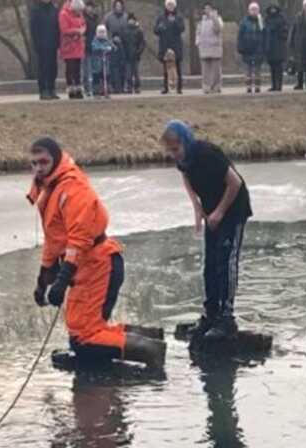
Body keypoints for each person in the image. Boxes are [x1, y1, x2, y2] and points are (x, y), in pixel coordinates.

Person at [28, 137, 166, 369]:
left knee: (84, 338)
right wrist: (43, 281)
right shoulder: (50, 188)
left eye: (44, 162)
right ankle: (148, 336)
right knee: (79, 331)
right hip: (86, 266)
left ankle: (148, 351)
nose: (39, 168)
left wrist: (62, 281)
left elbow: (78, 240)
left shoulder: (72, 188)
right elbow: (54, 240)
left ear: (57, 159)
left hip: (99, 263)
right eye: (34, 163)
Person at [160, 120, 253, 341]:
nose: (174, 155)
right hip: (211, 209)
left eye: (175, 149)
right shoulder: (184, 159)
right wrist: (197, 208)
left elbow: (235, 182)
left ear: (185, 141)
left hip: (233, 209)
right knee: (210, 264)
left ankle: (226, 318)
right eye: (170, 151)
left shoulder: (207, 154)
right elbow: (186, 177)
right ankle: (211, 314)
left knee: (226, 262)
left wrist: (220, 212)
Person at [31, 0, 61, 100]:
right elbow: (34, 29)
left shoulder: (55, 10)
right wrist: (37, 44)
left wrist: (58, 42)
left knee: (53, 68)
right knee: (43, 68)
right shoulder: (36, 10)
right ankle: (43, 90)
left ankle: (52, 89)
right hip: (42, 45)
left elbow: (57, 27)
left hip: (53, 44)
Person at [154, 0, 185, 94]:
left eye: (172, 5)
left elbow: (182, 29)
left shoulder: (178, 17)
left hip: (176, 45)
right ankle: (166, 87)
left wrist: (174, 22)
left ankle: (179, 88)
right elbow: (155, 30)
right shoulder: (161, 17)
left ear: (174, 6)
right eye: (168, 5)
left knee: (178, 67)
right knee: (165, 68)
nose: (170, 7)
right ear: (166, 6)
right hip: (164, 45)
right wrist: (160, 28)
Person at [59, 0, 87, 99]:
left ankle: (78, 89)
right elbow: (64, 29)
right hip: (68, 46)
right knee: (70, 68)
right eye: (78, 11)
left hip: (78, 45)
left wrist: (83, 30)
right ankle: (71, 89)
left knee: (77, 69)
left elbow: (83, 24)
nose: (79, 13)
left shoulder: (79, 15)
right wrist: (77, 31)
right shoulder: (64, 14)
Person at [196, 2, 224, 94]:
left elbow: (218, 29)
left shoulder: (218, 19)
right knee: (205, 70)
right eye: (205, 8)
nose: (207, 10)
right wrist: (198, 42)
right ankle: (206, 87)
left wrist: (214, 18)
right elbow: (198, 32)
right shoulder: (201, 21)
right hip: (204, 48)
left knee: (216, 70)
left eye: (209, 8)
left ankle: (216, 87)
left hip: (215, 48)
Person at [237, 2, 265, 94]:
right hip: (247, 49)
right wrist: (240, 47)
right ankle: (248, 87)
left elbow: (264, 33)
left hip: (258, 49)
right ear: (249, 11)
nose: (254, 11)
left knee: (257, 70)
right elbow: (240, 36)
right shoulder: (244, 22)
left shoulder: (261, 21)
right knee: (248, 69)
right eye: (252, 9)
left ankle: (257, 87)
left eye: (256, 9)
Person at [104, 0, 129, 94]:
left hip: (124, 44)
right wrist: (111, 41)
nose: (118, 7)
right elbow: (104, 31)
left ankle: (123, 86)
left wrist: (123, 39)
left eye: (120, 5)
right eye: (117, 5)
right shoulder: (108, 17)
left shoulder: (126, 17)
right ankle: (115, 87)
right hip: (112, 45)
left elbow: (129, 30)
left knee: (123, 66)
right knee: (113, 67)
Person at [263, 4, 288, 92]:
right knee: (272, 67)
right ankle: (273, 85)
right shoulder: (267, 19)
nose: (273, 10)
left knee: (279, 67)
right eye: (271, 9)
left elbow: (285, 32)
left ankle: (279, 85)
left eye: (274, 9)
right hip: (270, 46)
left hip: (279, 46)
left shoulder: (281, 19)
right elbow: (264, 32)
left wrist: (278, 33)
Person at [123, 13, 146, 94]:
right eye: (129, 20)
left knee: (136, 72)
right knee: (128, 73)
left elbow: (142, 43)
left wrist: (139, 51)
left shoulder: (139, 30)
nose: (131, 21)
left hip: (136, 55)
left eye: (132, 20)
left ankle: (137, 87)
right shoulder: (125, 30)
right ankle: (129, 87)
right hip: (127, 55)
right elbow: (123, 42)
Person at [91, 24, 113, 98]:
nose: (102, 34)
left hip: (105, 63)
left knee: (106, 77)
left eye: (103, 32)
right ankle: (96, 91)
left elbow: (112, 47)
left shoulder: (107, 41)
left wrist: (110, 48)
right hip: (97, 64)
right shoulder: (95, 41)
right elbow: (94, 47)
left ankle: (106, 90)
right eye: (100, 32)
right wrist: (102, 49)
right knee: (96, 77)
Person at [83, 1, 99, 96]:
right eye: (89, 7)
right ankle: (87, 88)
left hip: (95, 47)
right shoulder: (83, 19)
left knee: (95, 69)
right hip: (86, 47)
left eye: (92, 7)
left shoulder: (96, 20)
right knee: (86, 69)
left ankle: (95, 88)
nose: (91, 9)